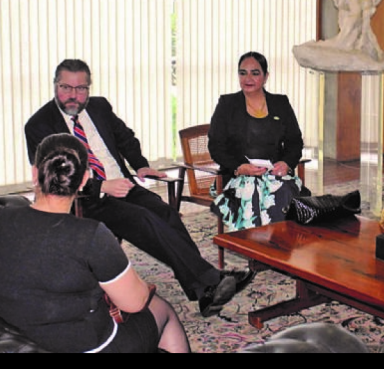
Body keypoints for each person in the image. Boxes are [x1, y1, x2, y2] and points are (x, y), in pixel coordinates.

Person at [24, 59, 253, 317]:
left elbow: (125, 138)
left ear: (89, 88)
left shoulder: (99, 107)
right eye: (66, 87)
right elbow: (55, 175)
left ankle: (203, 290)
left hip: (123, 184)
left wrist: (141, 165)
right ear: (55, 85)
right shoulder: (39, 125)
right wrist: (102, 186)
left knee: (165, 213)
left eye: (81, 89)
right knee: (143, 219)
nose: (73, 96)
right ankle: (209, 282)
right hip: (85, 199)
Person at [0, 133, 190, 353]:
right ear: (84, 179)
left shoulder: (0, 219)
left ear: (35, 173)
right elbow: (135, 303)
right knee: (162, 310)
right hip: (82, 345)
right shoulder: (90, 235)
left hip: (12, 337)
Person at [208, 52, 306, 231]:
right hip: (237, 175)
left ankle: (278, 247)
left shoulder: (280, 103)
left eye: (255, 73)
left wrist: (286, 163)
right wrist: (239, 167)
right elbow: (215, 146)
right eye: (242, 73)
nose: (248, 78)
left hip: (275, 174)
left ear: (266, 76)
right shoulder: (227, 104)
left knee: (282, 192)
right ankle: (257, 251)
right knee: (251, 194)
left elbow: (295, 142)